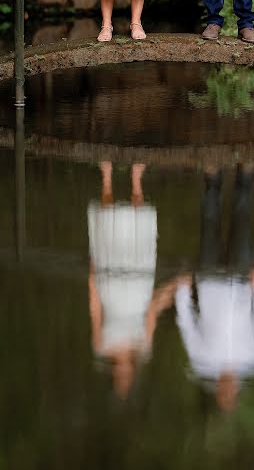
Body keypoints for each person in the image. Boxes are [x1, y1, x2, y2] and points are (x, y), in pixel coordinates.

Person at [175, 164, 254, 411]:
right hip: (240, 280)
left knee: (209, 221)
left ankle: (212, 174)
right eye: (231, 394)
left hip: (208, 281)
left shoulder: (201, 362)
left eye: (223, 395)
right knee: (242, 221)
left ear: (217, 392)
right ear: (237, 391)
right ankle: (246, 173)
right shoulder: (252, 360)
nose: (227, 390)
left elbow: (186, 322)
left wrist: (183, 289)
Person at [88, 161, 176, 398]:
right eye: (126, 378)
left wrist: (92, 281)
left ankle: (106, 175)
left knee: (109, 234)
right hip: (138, 294)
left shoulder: (101, 346)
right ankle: (136, 178)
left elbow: (95, 311)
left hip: (111, 292)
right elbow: (152, 312)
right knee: (139, 238)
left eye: (120, 379)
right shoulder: (143, 348)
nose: (123, 374)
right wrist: (173, 289)